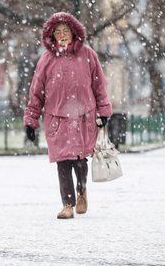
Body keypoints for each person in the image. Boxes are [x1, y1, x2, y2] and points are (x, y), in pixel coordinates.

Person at [23, 12, 112, 219]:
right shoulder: (46, 60)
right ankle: (68, 204)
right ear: (52, 36)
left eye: (65, 31)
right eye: (57, 32)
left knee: (80, 161)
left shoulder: (88, 55)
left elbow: (99, 86)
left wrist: (104, 111)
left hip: (83, 117)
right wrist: (31, 120)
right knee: (63, 162)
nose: (62, 35)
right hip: (57, 119)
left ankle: (82, 191)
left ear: (74, 33)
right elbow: (36, 92)